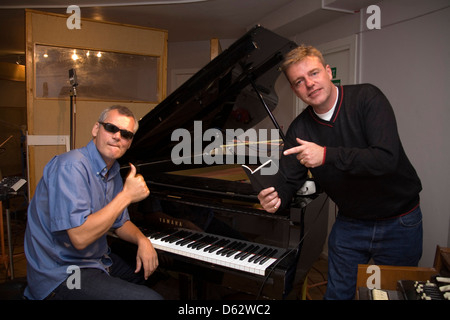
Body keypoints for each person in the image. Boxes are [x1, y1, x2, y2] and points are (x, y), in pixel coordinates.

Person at [257, 45, 423, 300]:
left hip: (399, 221)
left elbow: (385, 159)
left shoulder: (367, 98)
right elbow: (289, 179)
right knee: (336, 294)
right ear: (294, 89)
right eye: (299, 81)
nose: (309, 84)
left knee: (393, 295)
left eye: (313, 73)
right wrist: (276, 197)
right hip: (350, 223)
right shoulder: (300, 129)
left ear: (327, 71)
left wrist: (326, 155)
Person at [24, 105, 163, 300]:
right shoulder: (71, 166)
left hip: (96, 261)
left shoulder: (112, 170)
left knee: (154, 273)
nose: (117, 137)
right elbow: (79, 238)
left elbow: (120, 222)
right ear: (96, 129)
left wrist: (142, 240)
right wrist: (126, 196)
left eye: (126, 134)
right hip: (62, 273)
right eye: (111, 128)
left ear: (130, 143)